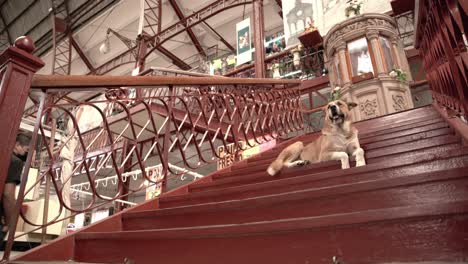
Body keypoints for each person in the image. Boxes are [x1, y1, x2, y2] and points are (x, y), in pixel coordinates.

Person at [0, 133, 30, 241]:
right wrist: (9, 224)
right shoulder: (15, 162)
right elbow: (8, 195)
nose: (25, 153)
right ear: (17, 144)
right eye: (26, 150)